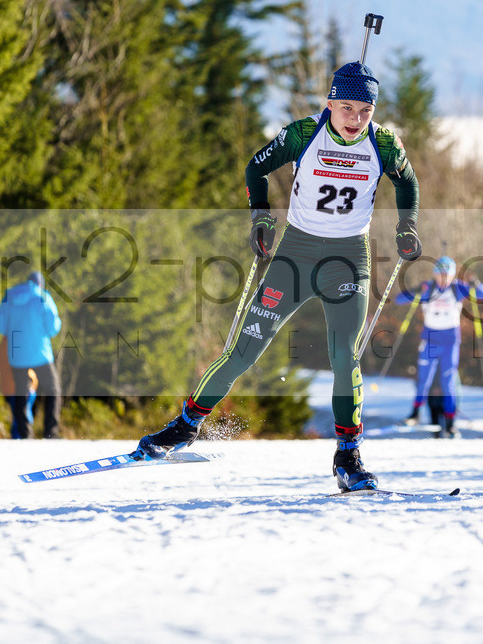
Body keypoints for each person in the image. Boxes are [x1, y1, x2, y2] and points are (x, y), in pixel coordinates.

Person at [135, 61, 422, 492]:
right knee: (243, 351)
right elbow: (256, 168)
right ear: (330, 103)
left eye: (365, 110)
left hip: (348, 260)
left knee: (345, 357)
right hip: (296, 256)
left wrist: (407, 226)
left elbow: (408, 183)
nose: (355, 118)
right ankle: (186, 425)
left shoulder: (383, 143)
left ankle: (348, 456)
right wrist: (261, 217)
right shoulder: (304, 133)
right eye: (347, 108)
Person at [395, 256, 483, 438]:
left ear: (452, 275)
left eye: (447, 274)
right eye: (440, 274)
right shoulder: (428, 288)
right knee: (424, 380)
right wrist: (414, 290)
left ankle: (450, 424)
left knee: (448, 383)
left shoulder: (457, 288)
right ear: (435, 274)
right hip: (430, 339)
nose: (443, 278)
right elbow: (399, 300)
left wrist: (476, 285)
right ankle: (415, 414)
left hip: (450, 341)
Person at [0, 270, 63, 439]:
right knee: (53, 388)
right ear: (40, 284)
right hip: (40, 352)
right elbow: (53, 328)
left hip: (16, 354)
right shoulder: (43, 297)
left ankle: (24, 433)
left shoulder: (9, 297)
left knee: (21, 391)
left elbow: (1, 327)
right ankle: (51, 432)